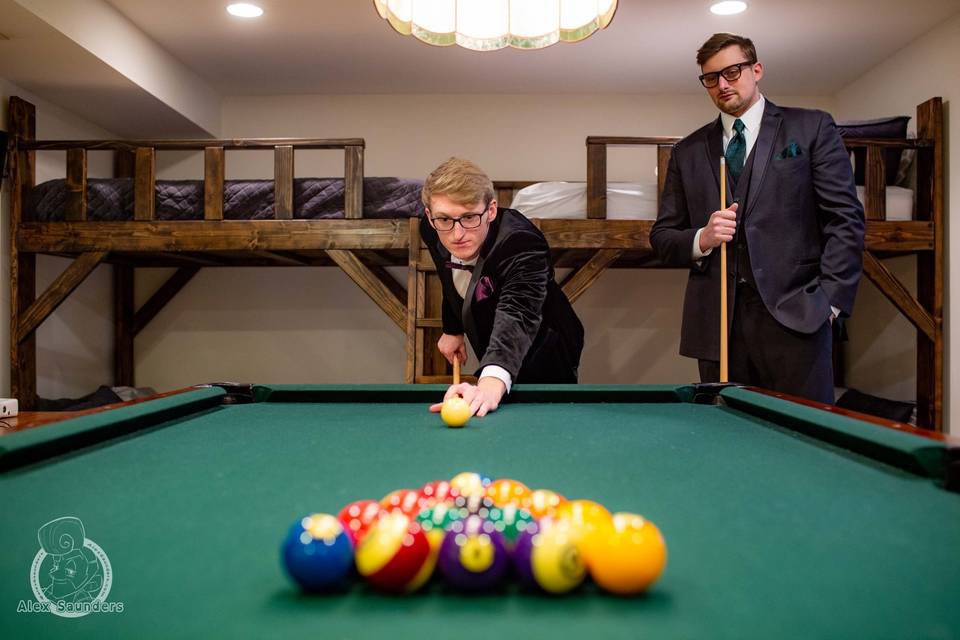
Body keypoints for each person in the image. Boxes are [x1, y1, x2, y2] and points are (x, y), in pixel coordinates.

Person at [649, 33, 864, 404]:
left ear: (757, 69)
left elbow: (844, 219)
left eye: (732, 72)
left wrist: (829, 302)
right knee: (727, 445)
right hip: (718, 328)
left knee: (805, 440)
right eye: (711, 78)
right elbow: (662, 237)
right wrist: (702, 237)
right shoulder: (687, 152)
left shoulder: (810, 128)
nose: (722, 84)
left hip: (800, 317)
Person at [420, 158, 584, 418]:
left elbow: (517, 314)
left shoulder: (522, 242)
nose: (456, 234)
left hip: (546, 343)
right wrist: (453, 328)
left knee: (542, 424)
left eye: (470, 217)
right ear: (430, 216)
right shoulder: (431, 230)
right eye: (444, 220)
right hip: (492, 335)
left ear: (491, 210)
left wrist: (490, 382)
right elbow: (448, 273)